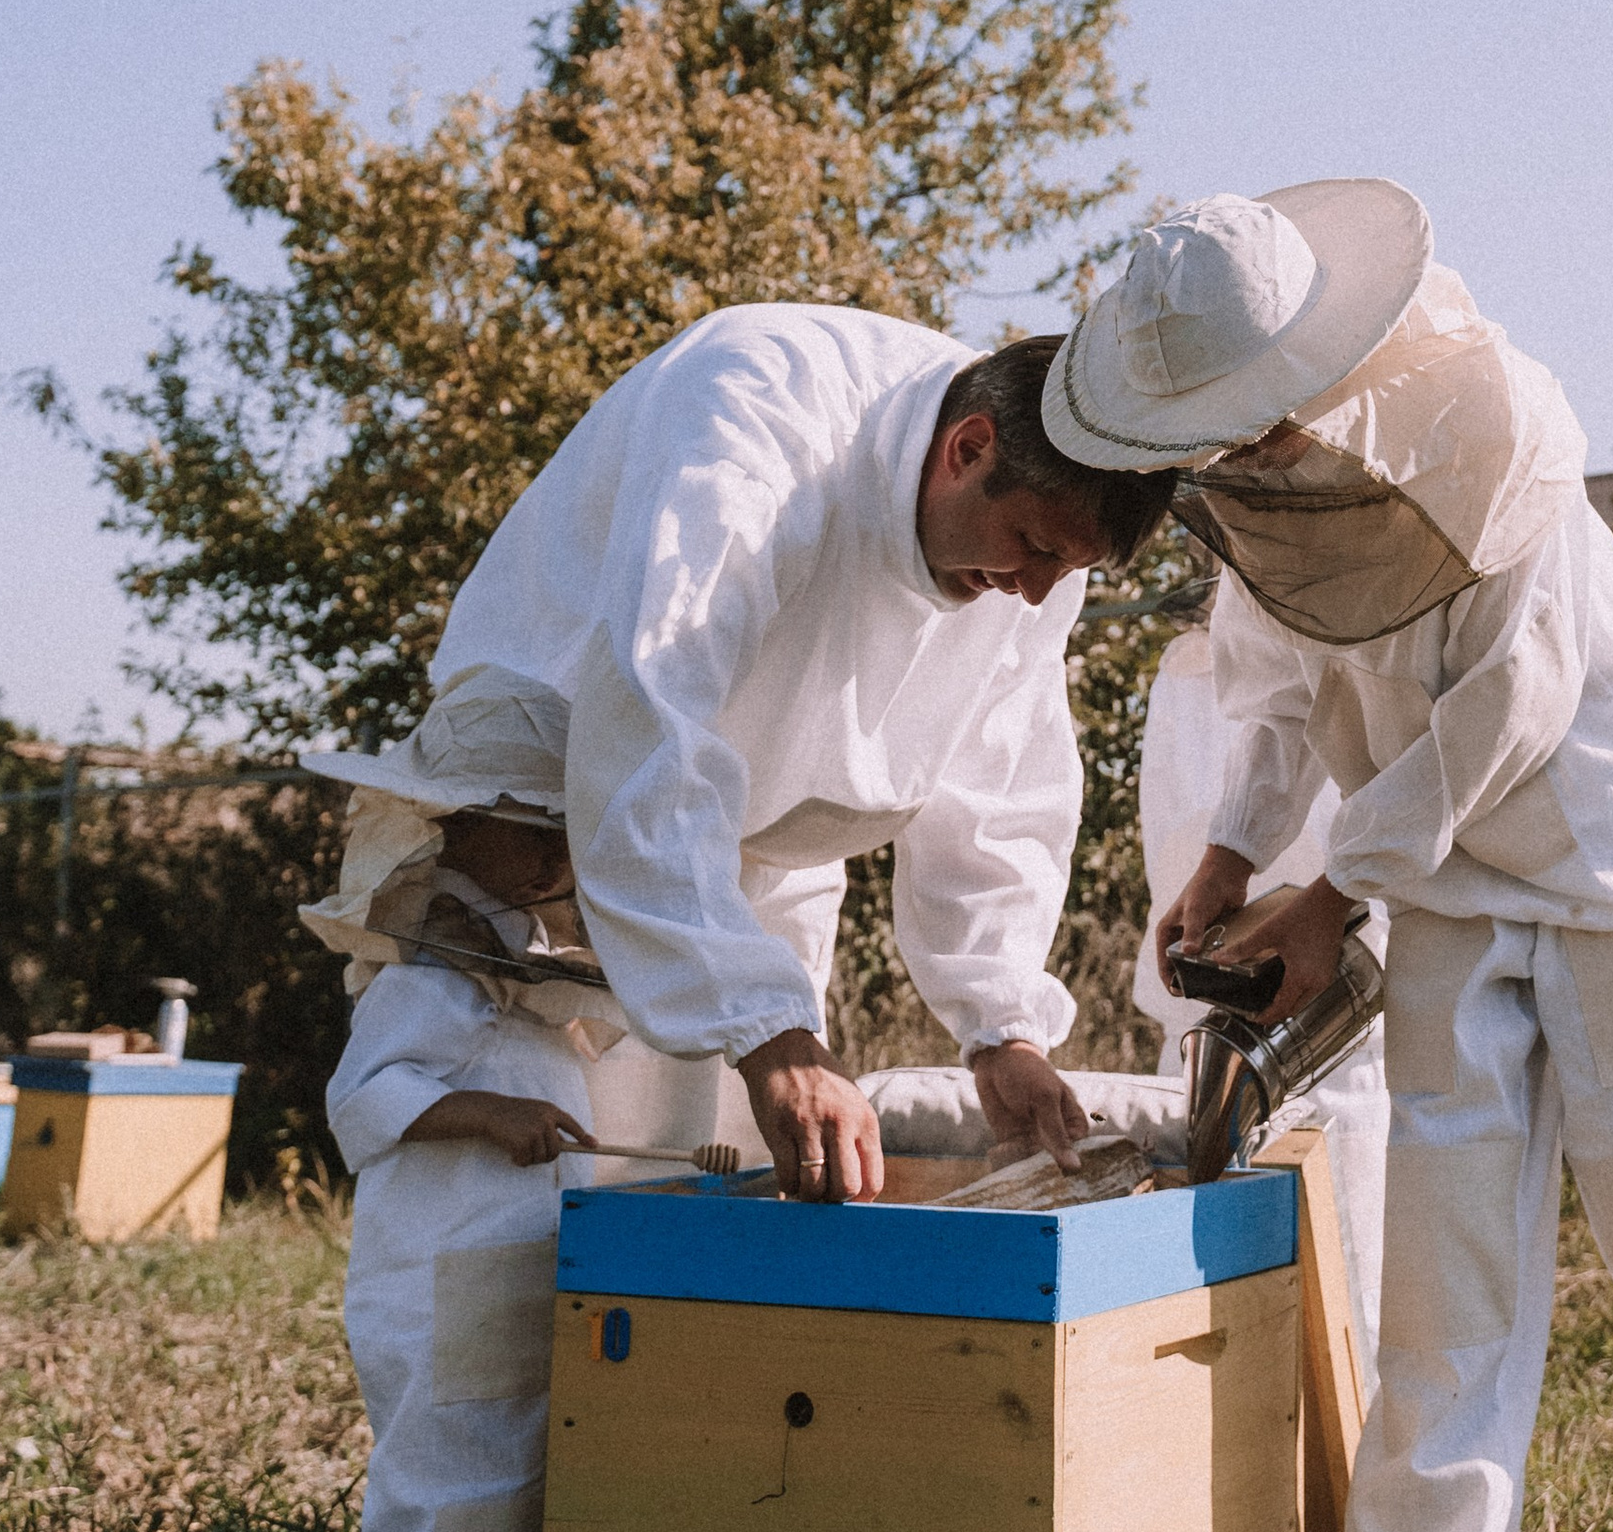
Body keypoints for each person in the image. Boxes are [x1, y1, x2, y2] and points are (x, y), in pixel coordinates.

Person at [1045, 184, 1613, 1532]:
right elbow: (1291, 689)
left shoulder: (1494, 422)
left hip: (1609, 872)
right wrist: (1235, 848)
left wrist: (1331, 892)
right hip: (1448, 896)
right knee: (1442, 1289)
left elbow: (1510, 707)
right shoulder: (1253, 486)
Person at [409, 311, 1174, 1202]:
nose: (1036, 592)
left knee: (735, 1205)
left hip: (763, 856)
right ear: (966, 449)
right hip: (538, 827)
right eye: (1035, 550)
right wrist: (769, 1031)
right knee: (506, 1215)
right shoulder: (756, 414)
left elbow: (1000, 788)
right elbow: (650, 721)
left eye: (1066, 571)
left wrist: (1003, 1033)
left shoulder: (1040, 543)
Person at [299, 696, 617, 1532]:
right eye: (529, 831)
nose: (553, 858)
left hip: (499, 1267)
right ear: (458, 826)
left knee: (507, 1472)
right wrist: (486, 1112)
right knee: (449, 1478)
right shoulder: (434, 967)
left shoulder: (516, 956)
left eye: (565, 833)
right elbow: (360, 1096)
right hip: (440, 1286)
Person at [1134, 623, 1391, 1363]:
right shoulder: (1189, 669)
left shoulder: (1378, 618)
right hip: (1209, 1054)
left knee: (1351, 1304)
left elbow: (1440, 773)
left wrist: (1331, 898)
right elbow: (1282, 719)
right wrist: (1225, 862)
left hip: (1359, 1042)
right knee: (1204, 1323)